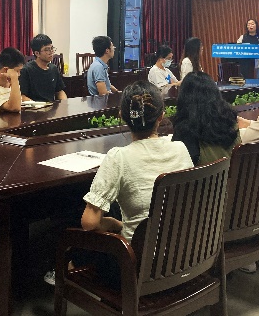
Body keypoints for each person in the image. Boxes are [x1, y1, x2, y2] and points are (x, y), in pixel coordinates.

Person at [79, 81, 193, 286]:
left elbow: (89, 223)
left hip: (138, 268)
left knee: (82, 242)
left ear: (121, 116)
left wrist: (112, 224)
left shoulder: (118, 157)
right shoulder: (180, 149)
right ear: (161, 116)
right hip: (186, 257)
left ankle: (65, 274)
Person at [172, 71, 241, 165]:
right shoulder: (230, 119)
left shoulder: (185, 130)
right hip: (232, 173)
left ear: (184, 97)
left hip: (204, 174)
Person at [20, 34, 67, 102]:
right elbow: (22, 96)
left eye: (52, 48)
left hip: (51, 107)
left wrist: (65, 103)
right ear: (37, 53)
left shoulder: (53, 68)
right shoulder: (26, 70)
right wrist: (37, 105)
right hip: (33, 107)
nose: (51, 52)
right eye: (47, 50)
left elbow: (59, 91)